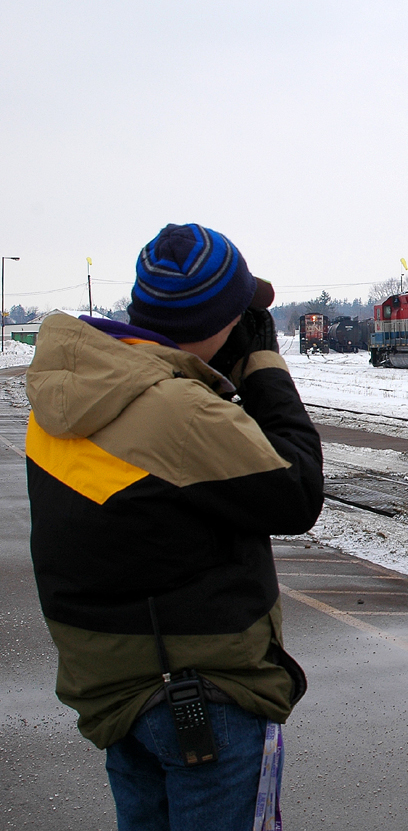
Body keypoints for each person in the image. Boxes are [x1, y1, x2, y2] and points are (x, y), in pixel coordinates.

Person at [25, 223, 325, 829]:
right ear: (218, 320)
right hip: (202, 696)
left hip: (115, 688)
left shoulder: (69, 395)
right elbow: (295, 492)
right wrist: (263, 367)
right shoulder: (179, 412)